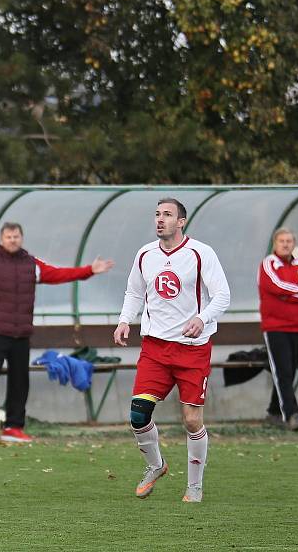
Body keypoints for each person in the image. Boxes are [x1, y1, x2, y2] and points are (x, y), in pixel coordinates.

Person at [0, 222, 114, 442]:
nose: (13, 240)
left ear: (21, 238)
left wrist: (89, 271)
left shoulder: (31, 264)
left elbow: (58, 274)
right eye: (8, 237)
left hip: (21, 334)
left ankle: (14, 427)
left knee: (20, 381)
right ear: (2, 239)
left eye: (16, 236)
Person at [113, 198, 230, 503]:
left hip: (192, 349)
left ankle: (194, 485)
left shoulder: (200, 253)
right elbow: (134, 291)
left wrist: (202, 318)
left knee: (191, 420)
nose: (160, 219)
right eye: (157, 214)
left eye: (167, 214)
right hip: (155, 347)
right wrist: (125, 320)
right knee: (138, 415)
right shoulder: (145, 254)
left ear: (181, 222)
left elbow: (223, 295)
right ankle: (156, 466)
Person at [258, 228, 298, 431]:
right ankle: (292, 415)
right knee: (283, 370)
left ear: (294, 244)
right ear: (275, 243)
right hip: (276, 327)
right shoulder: (268, 264)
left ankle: (273, 412)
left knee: (289, 370)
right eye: (281, 240)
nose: (285, 244)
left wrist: (291, 294)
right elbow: (277, 287)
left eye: (289, 241)